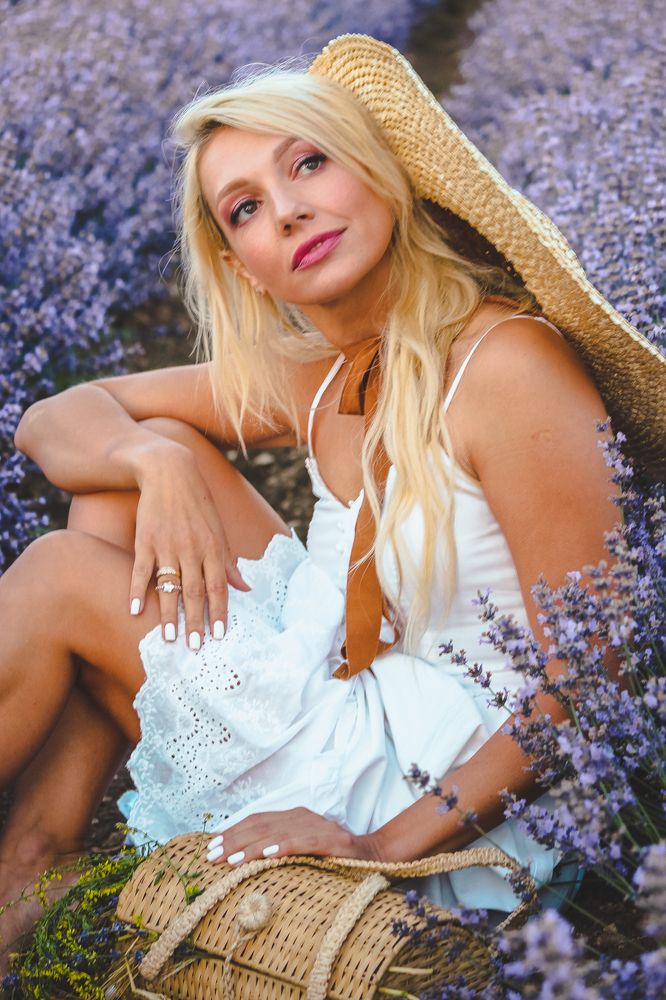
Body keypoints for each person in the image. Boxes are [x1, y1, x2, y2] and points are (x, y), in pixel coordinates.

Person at [1, 34, 663, 964]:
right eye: (246, 208)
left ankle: (25, 870)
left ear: (381, 172)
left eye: (309, 162)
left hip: (445, 792)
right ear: (243, 265)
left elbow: (593, 675)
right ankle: (32, 862)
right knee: (126, 478)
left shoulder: (506, 365)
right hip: (360, 698)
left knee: (60, 572)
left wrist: (379, 848)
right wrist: (154, 461)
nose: (289, 211)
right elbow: (54, 418)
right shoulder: (326, 374)